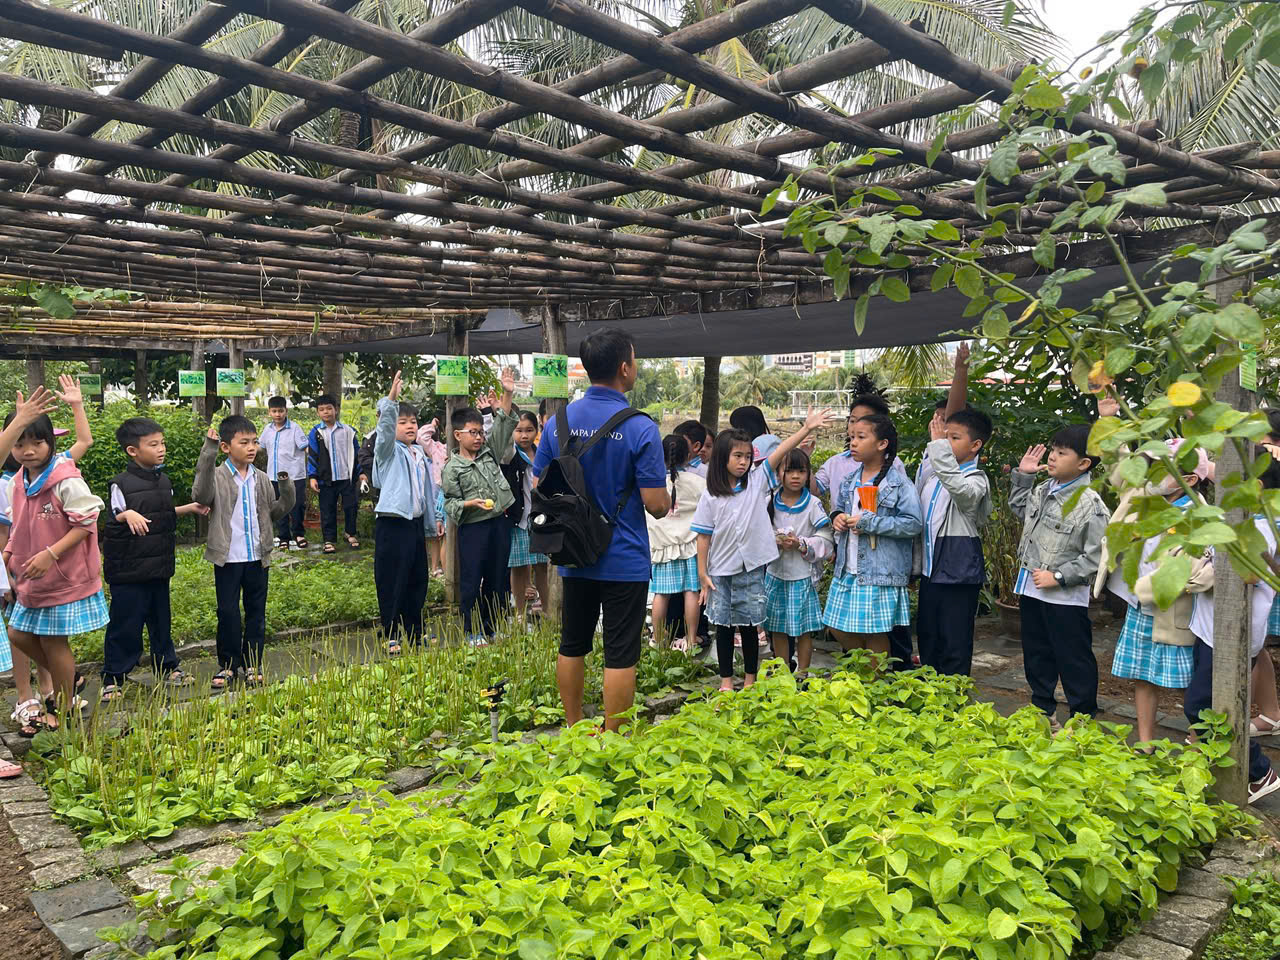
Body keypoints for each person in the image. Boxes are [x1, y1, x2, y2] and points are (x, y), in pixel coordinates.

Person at [532, 329, 670, 732]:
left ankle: (574, 727)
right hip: (622, 557)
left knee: (572, 641)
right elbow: (656, 505)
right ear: (624, 368)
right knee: (620, 652)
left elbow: (542, 483)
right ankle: (614, 736)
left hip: (573, 551)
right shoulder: (641, 427)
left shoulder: (560, 420)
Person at [695, 409, 834, 691]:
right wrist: (702, 573)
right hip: (721, 569)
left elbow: (780, 451)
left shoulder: (757, 482)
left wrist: (806, 428)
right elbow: (703, 537)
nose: (744, 462)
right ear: (723, 457)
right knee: (722, 627)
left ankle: (749, 680)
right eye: (738, 456)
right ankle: (725, 682)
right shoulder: (711, 494)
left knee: (749, 626)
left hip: (751, 568)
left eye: (748, 457)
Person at [0, 386, 105, 735]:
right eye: (19, 444)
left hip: (61, 573)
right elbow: (19, 525)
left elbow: (86, 523)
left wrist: (50, 553)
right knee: (18, 633)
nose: (28, 451)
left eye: (37, 442)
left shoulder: (64, 477)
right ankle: (67, 682)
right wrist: (10, 554)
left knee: (53, 641)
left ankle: (63, 708)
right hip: (33, 575)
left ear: (51, 443)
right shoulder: (19, 480)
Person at [1183, 452, 1280, 804]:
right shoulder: (1235, 518)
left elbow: (1251, 574)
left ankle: (1258, 771)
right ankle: (1214, 765)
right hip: (1211, 628)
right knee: (1210, 706)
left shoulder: (1260, 527)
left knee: (1201, 706)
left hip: (1234, 638)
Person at [1106, 438, 1213, 746]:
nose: (1150, 475)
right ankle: (1145, 744)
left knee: (1189, 683)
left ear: (1190, 479)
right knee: (1142, 675)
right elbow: (1120, 472)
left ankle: (1199, 743)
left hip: (1175, 609)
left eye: (1159, 469)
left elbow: (1199, 568)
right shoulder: (1145, 500)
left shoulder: (1201, 516)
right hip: (1141, 605)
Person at [100, 417, 209, 701]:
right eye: (153, 444)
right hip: (128, 572)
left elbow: (163, 514)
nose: (161, 449)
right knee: (125, 625)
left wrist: (190, 508)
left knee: (161, 622)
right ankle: (113, 677)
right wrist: (126, 515)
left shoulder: (163, 480)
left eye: (162, 443)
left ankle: (168, 666)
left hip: (159, 568)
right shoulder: (120, 484)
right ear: (132, 451)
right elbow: (112, 520)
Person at [1010, 425, 1109, 730]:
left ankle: (1082, 721)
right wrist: (1024, 476)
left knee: (1073, 658)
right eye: (1053, 450)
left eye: (1061, 453)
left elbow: (1097, 557)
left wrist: (1059, 576)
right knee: (1037, 653)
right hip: (1031, 588)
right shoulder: (1042, 489)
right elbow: (1018, 509)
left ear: (1083, 464)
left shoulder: (1091, 504)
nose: (1052, 457)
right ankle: (1042, 712)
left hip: (1064, 597)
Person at [813, 391, 917, 671]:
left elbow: (912, 524)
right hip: (849, 568)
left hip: (879, 571)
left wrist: (869, 523)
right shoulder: (848, 480)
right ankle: (870, 672)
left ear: (882, 444)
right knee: (834, 625)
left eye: (861, 437)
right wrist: (837, 518)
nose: (853, 442)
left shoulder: (897, 482)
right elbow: (841, 511)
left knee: (875, 632)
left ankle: (874, 685)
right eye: (852, 436)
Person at [193, 415, 295, 689]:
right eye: (244, 442)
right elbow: (201, 496)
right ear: (226, 447)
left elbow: (273, 512)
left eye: (254, 442)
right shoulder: (217, 476)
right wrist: (208, 452)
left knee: (256, 613)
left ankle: (252, 664)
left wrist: (286, 490)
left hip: (257, 557)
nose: (252, 448)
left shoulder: (261, 479)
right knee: (227, 612)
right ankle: (227, 665)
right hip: (227, 557)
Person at [914, 406, 993, 676]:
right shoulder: (933, 474)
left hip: (957, 574)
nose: (946, 444)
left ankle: (953, 707)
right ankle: (929, 701)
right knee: (928, 639)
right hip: (930, 572)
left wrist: (938, 448)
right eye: (944, 437)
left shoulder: (976, 479)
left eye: (954, 438)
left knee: (954, 644)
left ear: (976, 445)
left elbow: (962, 493)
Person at [441, 370, 517, 646]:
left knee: (497, 578)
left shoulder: (489, 452)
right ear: (458, 434)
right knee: (472, 580)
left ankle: (491, 627)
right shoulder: (452, 468)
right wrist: (467, 504)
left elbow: (504, 426)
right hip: (473, 527)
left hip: (498, 522)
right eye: (473, 433)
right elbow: (449, 503)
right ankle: (470, 631)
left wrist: (507, 393)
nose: (479, 437)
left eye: (480, 432)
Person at [372, 372, 439, 654]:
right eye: (403, 422)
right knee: (392, 580)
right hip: (392, 524)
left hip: (413, 526)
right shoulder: (388, 452)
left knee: (417, 580)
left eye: (412, 421)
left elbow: (424, 493)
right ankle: (390, 632)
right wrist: (391, 401)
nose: (410, 426)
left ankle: (415, 630)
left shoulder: (418, 454)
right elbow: (384, 431)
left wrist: (430, 524)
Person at [765, 448, 832, 682]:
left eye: (801, 471)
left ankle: (803, 673)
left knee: (804, 628)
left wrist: (802, 544)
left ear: (808, 474)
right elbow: (757, 534)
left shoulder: (812, 504)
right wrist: (773, 541)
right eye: (789, 471)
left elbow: (826, 538)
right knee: (778, 627)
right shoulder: (769, 501)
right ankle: (783, 672)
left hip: (802, 575)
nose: (795, 476)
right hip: (774, 573)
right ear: (778, 474)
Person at [647, 434, 706, 651]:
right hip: (691, 546)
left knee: (660, 595)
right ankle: (691, 640)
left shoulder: (653, 484)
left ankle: (658, 640)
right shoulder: (699, 483)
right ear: (688, 456)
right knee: (691, 592)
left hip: (662, 547)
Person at [502, 411, 550, 624]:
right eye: (519, 430)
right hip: (518, 518)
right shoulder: (511, 455)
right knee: (519, 566)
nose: (524, 435)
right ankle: (520, 612)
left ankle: (547, 608)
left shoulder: (542, 455)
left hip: (540, 518)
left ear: (536, 431)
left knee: (542, 565)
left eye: (529, 430)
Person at [307, 393, 360, 554]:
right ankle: (329, 540)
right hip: (326, 479)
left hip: (346, 477)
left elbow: (356, 454)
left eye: (329, 408)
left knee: (351, 507)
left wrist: (361, 473)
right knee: (327, 509)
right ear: (317, 412)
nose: (326, 412)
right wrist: (313, 477)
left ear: (336, 410)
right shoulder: (316, 432)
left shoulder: (348, 431)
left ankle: (350, 533)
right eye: (321, 409)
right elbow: (313, 456)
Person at [261, 396, 309, 550]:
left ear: (286, 411)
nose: (278, 414)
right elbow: (259, 448)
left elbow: (305, 447)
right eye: (274, 411)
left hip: (295, 475)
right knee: (279, 506)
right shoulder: (267, 430)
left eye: (280, 411)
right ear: (269, 412)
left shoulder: (295, 428)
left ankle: (299, 534)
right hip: (274, 476)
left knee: (297, 505)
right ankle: (283, 537)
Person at [417, 418, 448, 577]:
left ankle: (448, 569)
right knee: (436, 533)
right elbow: (421, 436)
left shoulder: (471, 450)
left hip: (455, 494)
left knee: (448, 536)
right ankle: (436, 568)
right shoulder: (439, 449)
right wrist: (433, 426)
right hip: (437, 493)